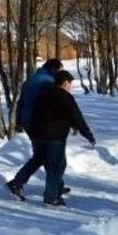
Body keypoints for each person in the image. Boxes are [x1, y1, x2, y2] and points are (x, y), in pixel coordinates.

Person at [32, 71, 95, 206]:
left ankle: (55, 189)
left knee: (58, 165)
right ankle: (51, 197)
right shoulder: (66, 97)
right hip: (55, 137)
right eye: (71, 84)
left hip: (39, 135)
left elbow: (57, 113)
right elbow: (77, 117)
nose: (71, 87)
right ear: (65, 83)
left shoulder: (44, 94)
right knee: (55, 167)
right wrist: (88, 135)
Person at [6, 59, 64, 200]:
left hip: (28, 122)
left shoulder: (31, 79)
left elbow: (21, 101)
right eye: (60, 71)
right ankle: (50, 187)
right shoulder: (49, 82)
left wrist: (19, 121)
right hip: (40, 123)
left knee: (42, 155)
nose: (61, 74)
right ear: (54, 69)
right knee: (48, 155)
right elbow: (52, 103)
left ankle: (55, 185)